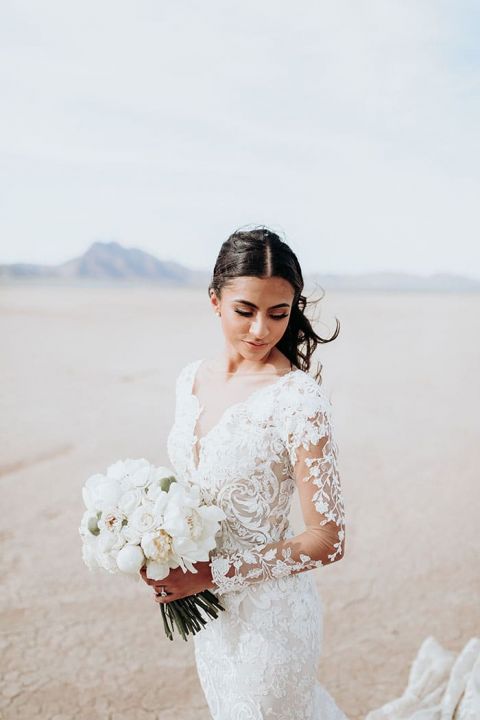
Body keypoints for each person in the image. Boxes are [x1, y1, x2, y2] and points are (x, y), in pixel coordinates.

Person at [141, 226, 348, 719]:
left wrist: (214, 573)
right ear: (215, 300)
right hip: (211, 619)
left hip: (271, 624)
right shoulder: (188, 380)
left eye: (279, 314)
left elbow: (329, 537)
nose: (261, 330)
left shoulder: (297, 398)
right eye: (244, 311)